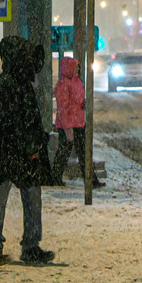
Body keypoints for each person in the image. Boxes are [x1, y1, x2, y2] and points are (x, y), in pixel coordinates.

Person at [0, 38, 54, 266]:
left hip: (7, 154)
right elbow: (20, 121)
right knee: (26, 198)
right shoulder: (14, 84)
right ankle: (26, 246)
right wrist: (31, 146)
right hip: (20, 154)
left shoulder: (8, 82)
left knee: (0, 201)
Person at [50, 56, 95, 187]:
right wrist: (67, 128)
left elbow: (76, 100)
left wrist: (83, 104)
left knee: (81, 152)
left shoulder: (76, 81)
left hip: (79, 122)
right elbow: (62, 108)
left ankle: (90, 178)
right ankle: (56, 176)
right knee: (65, 152)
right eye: (75, 67)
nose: (77, 70)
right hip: (69, 124)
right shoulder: (63, 85)